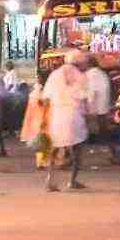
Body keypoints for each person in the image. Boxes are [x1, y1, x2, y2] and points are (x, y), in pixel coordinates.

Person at [40, 50, 90, 191]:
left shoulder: (54, 75)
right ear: (79, 63)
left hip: (57, 115)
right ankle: (72, 181)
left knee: (54, 149)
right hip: (75, 116)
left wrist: (44, 118)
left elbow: (45, 99)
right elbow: (85, 99)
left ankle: (50, 181)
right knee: (77, 149)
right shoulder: (81, 76)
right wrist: (88, 117)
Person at [82, 58, 114, 160]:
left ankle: (75, 157)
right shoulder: (103, 74)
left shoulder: (89, 75)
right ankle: (113, 153)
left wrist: (88, 109)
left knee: (81, 133)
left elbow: (92, 92)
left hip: (93, 108)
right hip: (103, 108)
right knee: (104, 132)